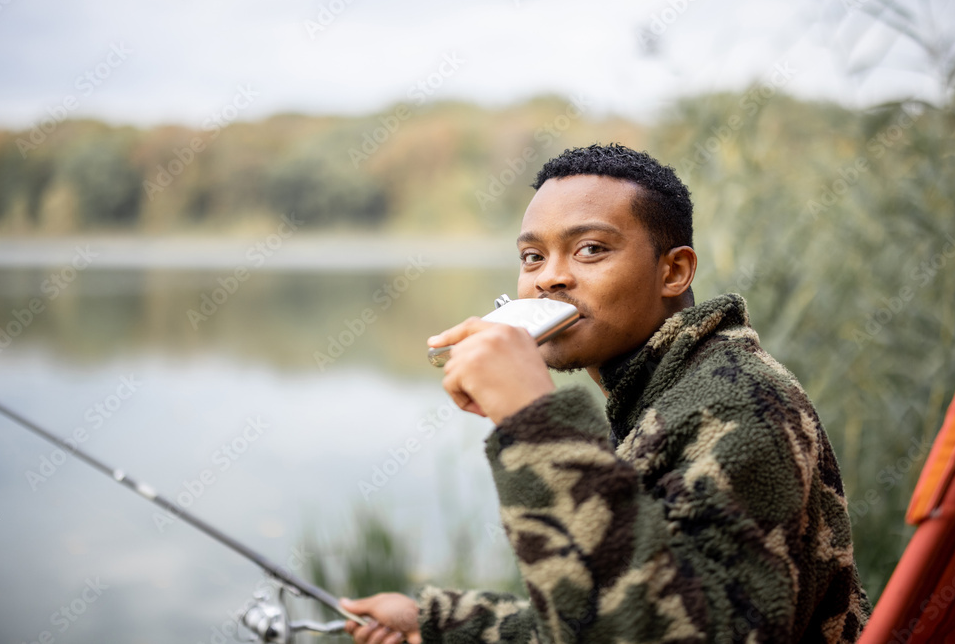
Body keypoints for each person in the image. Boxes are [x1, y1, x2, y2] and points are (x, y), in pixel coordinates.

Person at [341, 143, 871, 643]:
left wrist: (533, 419)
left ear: (674, 270)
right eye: (532, 257)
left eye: (590, 250)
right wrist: (438, 626)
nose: (550, 278)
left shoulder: (740, 403)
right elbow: (616, 603)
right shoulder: (665, 389)